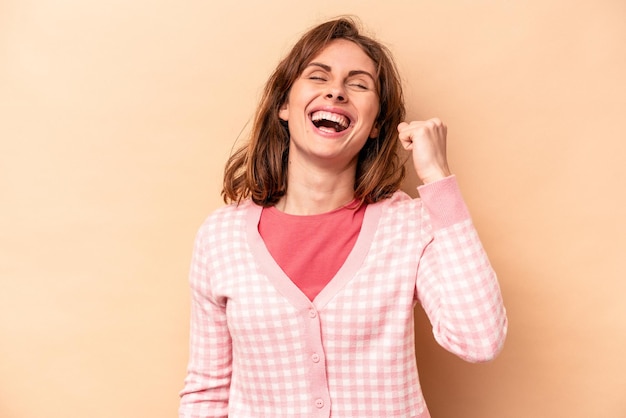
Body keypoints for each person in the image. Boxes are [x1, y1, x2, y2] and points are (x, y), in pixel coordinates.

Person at [179, 16, 507, 418]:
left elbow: (479, 339)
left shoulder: (408, 224)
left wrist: (438, 178)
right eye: (318, 77)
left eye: (358, 84)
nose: (336, 91)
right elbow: (207, 392)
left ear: (374, 126)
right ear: (284, 105)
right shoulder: (220, 237)